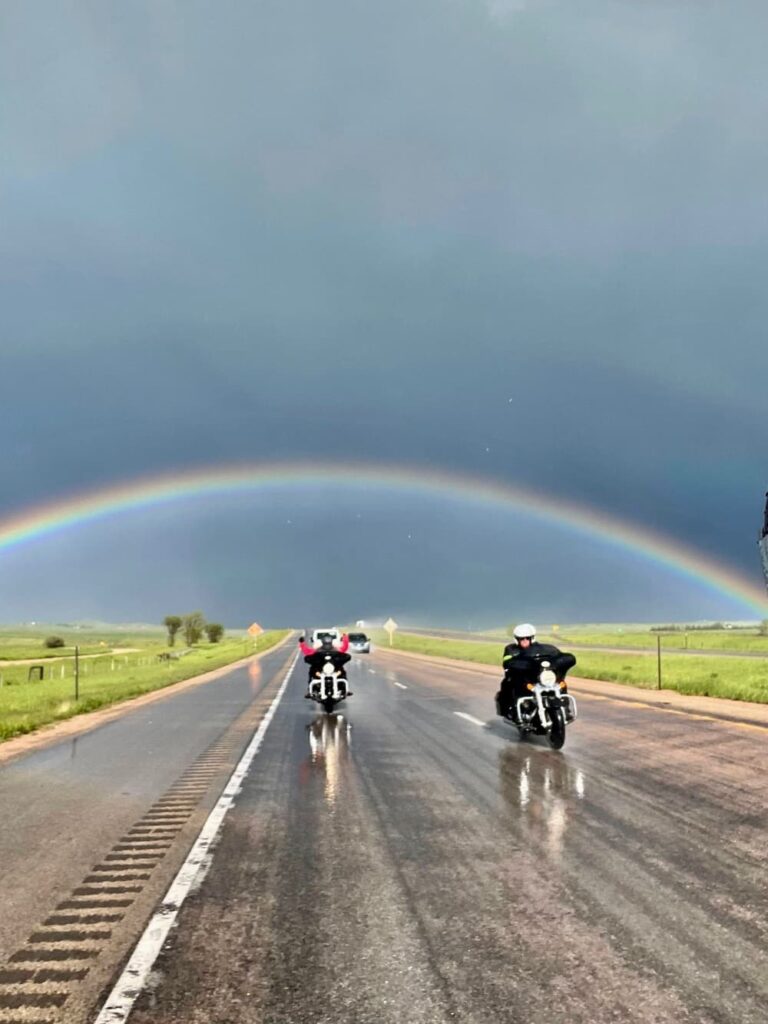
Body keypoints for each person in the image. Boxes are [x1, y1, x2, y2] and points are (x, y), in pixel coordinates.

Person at [496, 623, 575, 721]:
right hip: (522, 678)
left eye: (527, 638)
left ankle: (565, 709)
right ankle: (511, 710)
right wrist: (514, 664)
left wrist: (564, 660)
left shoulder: (543, 648)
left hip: (538, 677)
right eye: (521, 639)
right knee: (507, 683)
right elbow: (507, 662)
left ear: (532, 638)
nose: (524, 641)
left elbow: (557, 656)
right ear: (517, 639)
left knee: (560, 683)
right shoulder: (511, 649)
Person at [299, 632, 352, 697]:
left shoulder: (336, 650)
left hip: (333, 668)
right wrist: (302, 643)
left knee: (342, 670)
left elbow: (344, 648)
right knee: (312, 670)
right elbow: (307, 651)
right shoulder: (317, 651)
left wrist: (345, 638)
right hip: (321, 668)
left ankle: (345, 689)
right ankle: (310, 689)